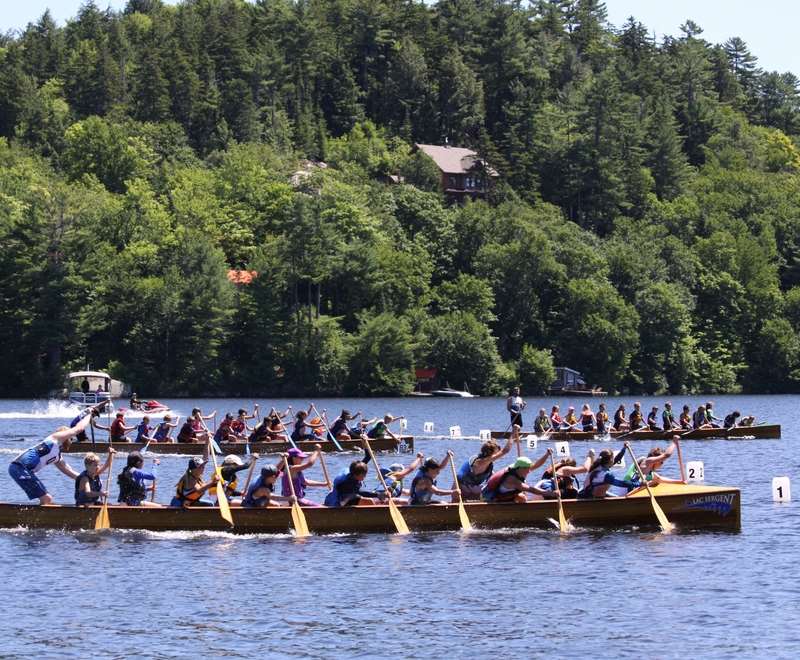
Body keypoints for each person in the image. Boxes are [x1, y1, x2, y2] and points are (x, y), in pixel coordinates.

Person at [9, 407, 100, 504]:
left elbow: (71, 473)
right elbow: (79, 429)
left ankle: (36, 515)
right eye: (71, 438)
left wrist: (90, 478)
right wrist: (89, 414)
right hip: (20, 467)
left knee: (47, 499)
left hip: (21, 469)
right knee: (47, 499)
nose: (72, 441)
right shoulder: (55, 439)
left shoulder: (57, 457)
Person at [453, 438, 512, 502]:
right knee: (490, 494)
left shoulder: (487, 463)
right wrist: (513, 433)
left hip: (470, 486)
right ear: (491, 453)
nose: (498, 453)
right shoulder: (482, 461)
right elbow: (505, 451)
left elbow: (493, 477)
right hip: (459, 487)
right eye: (497, 451)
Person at [482, 455, 557, 503]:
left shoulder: (519, 470)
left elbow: (537, 465)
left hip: (505, 495)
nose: (529, 471)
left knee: (522, 497)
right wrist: (550, 493)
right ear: (520, 468)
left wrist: (547, 454)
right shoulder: (512, 479)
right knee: (522, 497)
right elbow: (531, 489)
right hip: (492, 498)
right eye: (527, 469)